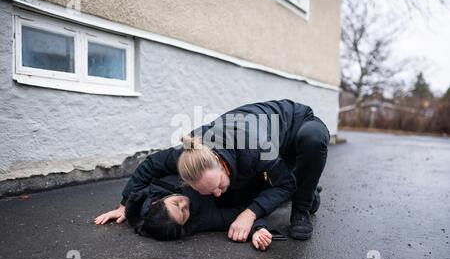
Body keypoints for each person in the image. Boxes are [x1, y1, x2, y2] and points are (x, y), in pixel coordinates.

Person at [97, 99, 329, 241]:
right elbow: (150, 164)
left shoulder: (256, 148)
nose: (218, 193)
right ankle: (307, 188)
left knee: (311, 142)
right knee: (263, 184)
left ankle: (302, 208)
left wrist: (249, 214)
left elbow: (283, 183)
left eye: (218, 185)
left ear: (218, 162)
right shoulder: (190, 152)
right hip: (257, 153)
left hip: (295, 126)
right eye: (210, 191)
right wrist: (126, 204)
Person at [96, 175, 275, 251]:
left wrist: (124, 207)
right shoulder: (202, 220)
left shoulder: (159, 186)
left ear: (159, 200)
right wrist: (257, 229)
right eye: (183, 213)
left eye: (176, 203)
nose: (185, 204)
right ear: (184, 224)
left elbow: (152, 165)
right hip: (256, 184)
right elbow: (239, 215)